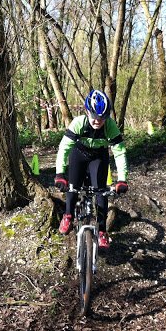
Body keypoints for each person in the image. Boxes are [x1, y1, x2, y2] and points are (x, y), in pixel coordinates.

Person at [54, 90, 128, 249]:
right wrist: (59, 174)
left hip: (99, 157)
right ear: (87, 111)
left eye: (102, 117)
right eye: (94, 116)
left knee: (101, 191)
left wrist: (122, 179)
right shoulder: (78, 123)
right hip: (79, 154)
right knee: (72, 186)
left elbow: (120, 153)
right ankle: (68, 215)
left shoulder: (110, 126)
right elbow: (64, 148)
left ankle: (102, 230)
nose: (98, 121)